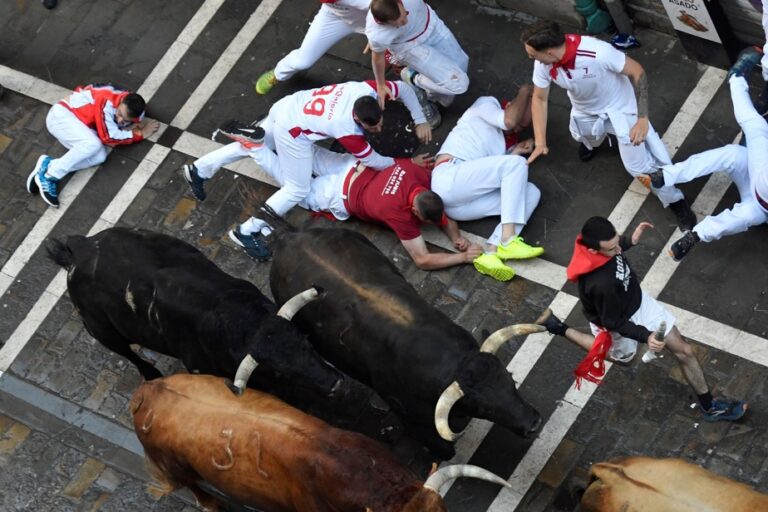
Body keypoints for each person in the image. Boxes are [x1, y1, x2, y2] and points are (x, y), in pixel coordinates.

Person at [182, 80, 432, 260]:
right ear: (357, 119)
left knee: (261, 144)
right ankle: (247, 232)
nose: (377, 130)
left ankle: (199, 169)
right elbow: (375, 161)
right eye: (372, 128)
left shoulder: (366, 89)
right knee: (297, 189)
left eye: (379, 124)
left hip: (289, 107)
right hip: (293, 133)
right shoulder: (345, 127)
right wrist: (406, 164)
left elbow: (405, 88)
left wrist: (420, 119)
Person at [537, 216, 748, 422]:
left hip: (640, 304)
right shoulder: (601, 285)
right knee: (627, 361)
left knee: (684, 351)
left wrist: (630, 241)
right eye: (612, 249)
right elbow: (613, 323)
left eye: (617, 241)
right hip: (617, 322)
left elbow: (617, 250)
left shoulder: (600, 244)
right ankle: (559, 328)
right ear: (593, 251)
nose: (618, 250)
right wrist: (646, 336)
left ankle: (709, 407)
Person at [521, 20, 697, 232]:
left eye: (533, 54)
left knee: (638, 168)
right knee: (583, 137)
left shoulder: (599, 52)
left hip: (620, 111)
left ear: (549, 53)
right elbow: (539, 99)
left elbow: (638, 72)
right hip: (584, 111)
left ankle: (675, 200)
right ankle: (593, 142)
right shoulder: (543, 63)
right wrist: (540, 142)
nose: (531, 58)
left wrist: (642, 118)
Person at [232, 138, 482, 269]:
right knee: (296, 188)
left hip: (352, 166)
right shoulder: (398, 213)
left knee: (307, 155)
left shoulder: (415, 171)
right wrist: (462, 258)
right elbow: (423, 260)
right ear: (415, 210)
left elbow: (443, 217)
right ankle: (256, 148)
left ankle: (273, 134)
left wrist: (456, 237)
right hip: (337, 193)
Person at [637, 47, 768, 261]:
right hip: (757, 174)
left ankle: (695, 235)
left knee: (745, 216)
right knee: (735, 150)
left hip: (760, 206)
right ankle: (666, 176)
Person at [432, 89, 544, 282]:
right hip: (448, 177)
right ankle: (508, 240)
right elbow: (508, 121)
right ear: (510, 105)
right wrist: (526, 90)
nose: (516, 129)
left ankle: (491, 253)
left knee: (531, 192)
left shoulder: (505, 144)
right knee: (515, 165)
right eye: (519, 122)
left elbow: (495, 177)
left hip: (459, 207)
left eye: (522, 127)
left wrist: (515, 151)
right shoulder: (486, 104)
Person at [26, 83, 159, 208]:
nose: (120, 120)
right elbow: (108, 137)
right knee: (93, 144)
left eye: (126, 120)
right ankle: (50, 175)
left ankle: (49, 165)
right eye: (119, 114)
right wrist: (140, 134)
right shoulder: (106, 101)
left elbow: (127, 120)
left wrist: (132, 125)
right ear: (120, 102)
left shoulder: (132, 105)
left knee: (99, 157)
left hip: (79, 123)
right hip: (60, 117)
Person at [365, 0, 469, 123]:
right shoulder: (378, 35)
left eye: (405, 15)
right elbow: (377, 57)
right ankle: (414, 79)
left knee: (462, 63)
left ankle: (434, 92)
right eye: (398, 25)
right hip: (409, 46)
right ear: (383, 23)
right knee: (459, 84)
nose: (405, 22)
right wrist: (381, 85)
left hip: (431, 24)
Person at [255, 0, 370, 95]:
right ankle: (278, 74)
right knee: (302, 61)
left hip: (376, 19)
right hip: (335, 15)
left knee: (384, 52)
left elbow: (384, 9)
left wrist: (378, 35)